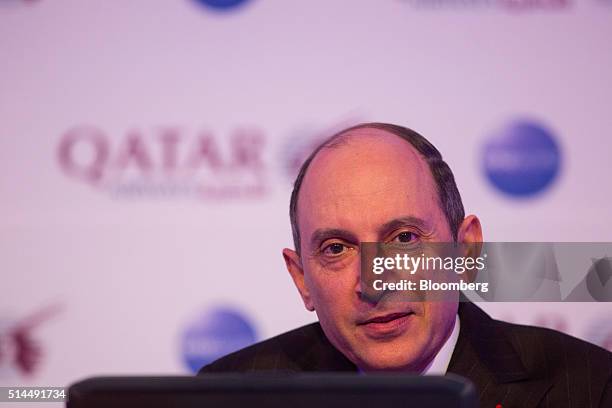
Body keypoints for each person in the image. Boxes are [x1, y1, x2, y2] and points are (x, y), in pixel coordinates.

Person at [199, 123, 612, 407]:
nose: (374, 282)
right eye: (336, 249)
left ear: (466, 251)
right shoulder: (229, 394)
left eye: (404, 239)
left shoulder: (591, 388)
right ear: (302, 279)